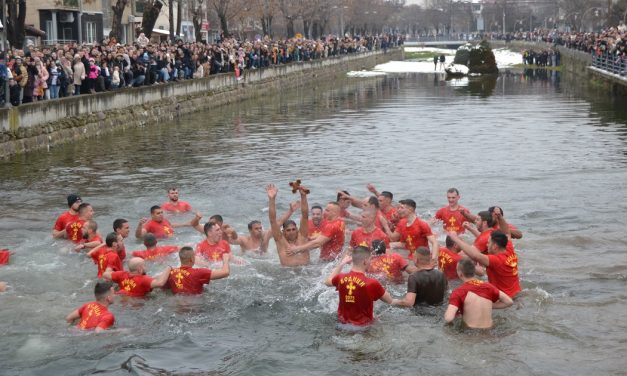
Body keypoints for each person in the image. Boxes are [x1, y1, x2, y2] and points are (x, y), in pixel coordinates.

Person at [447, 216, 521, 298]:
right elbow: (507, 233)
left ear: (495, 246)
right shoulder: (509, 248)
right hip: (517, 292)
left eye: (489, 243)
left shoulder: (496, 260)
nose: (486, 245)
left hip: (505, 298)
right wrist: (500, 217)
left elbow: (475, 256)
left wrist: (455, 239)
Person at [324, 246, 393, 326]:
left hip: (341, 324)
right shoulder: (372, 283)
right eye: (370, 259)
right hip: (363, 328)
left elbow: (327, 282)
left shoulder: (341, 277)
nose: (371, 262)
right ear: (365, 261)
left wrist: (342, 264)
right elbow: (389, 301)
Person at [444, 258, 513, 329]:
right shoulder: (489, 287)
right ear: (474, 272)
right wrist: (489, 305)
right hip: (489, 332)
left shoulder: (458, 292)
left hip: (471, 333)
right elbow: (509, 302)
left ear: (460, 274)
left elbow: (449, 318)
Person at [266, 183, 311, 267]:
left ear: (297, 230)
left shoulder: (302, 238)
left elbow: (305, 216)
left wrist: (303, 197)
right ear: (283, 232)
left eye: (293, 229)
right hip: (288, 274)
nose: (291, 232)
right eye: (288, 230)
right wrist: (272, 199)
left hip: (307, 272)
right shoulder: (281, 242)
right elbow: (272, 221)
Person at [165, 246, 230, 295]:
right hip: (196, 308)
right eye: (194, 256)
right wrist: (226, 259)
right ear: (191, 259)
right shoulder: (198, 273)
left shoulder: (171, 273)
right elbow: (225, 272)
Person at [103, 257, 171, 298]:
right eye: (144, 265)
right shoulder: (143, 279)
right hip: (137, 305)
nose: (146, 267)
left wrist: (109, 266)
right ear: (140, 269)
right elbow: (160, 283)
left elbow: (105, 274)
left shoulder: (121, 274)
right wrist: (169, 268)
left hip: (122, 298)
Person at [135, 205, 201, 239]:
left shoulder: (165, 220)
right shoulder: (149, 224)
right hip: (163, 242)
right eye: (158, 213)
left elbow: (185, 224)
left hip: (173, 238)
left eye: (161, 212)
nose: (161, 214)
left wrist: (196, 218)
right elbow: (139, 236)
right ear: (152, 215)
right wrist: (140, 225)